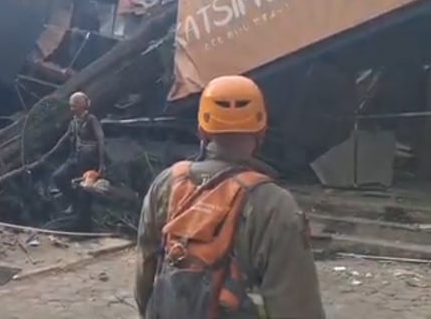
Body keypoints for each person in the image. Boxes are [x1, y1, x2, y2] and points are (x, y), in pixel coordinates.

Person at [134, 75, 325, 319]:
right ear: (262, 130)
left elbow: (145, 271)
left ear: (202, 130)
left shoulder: (166, 183)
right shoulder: (274, 204)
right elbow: (296, 304)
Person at [33, 92, 105, 215]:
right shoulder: (73, 122)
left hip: (89, 160)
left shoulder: (91, 120)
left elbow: (101, 139)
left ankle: (82, 220)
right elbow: (64, 139)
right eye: (71, 105)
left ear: (82, 105)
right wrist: (48, 154)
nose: (72, 109)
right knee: (58, 176)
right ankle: (73, 202)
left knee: (84, 190)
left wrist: (101, 163)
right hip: (75, 157)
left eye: (74, 105)